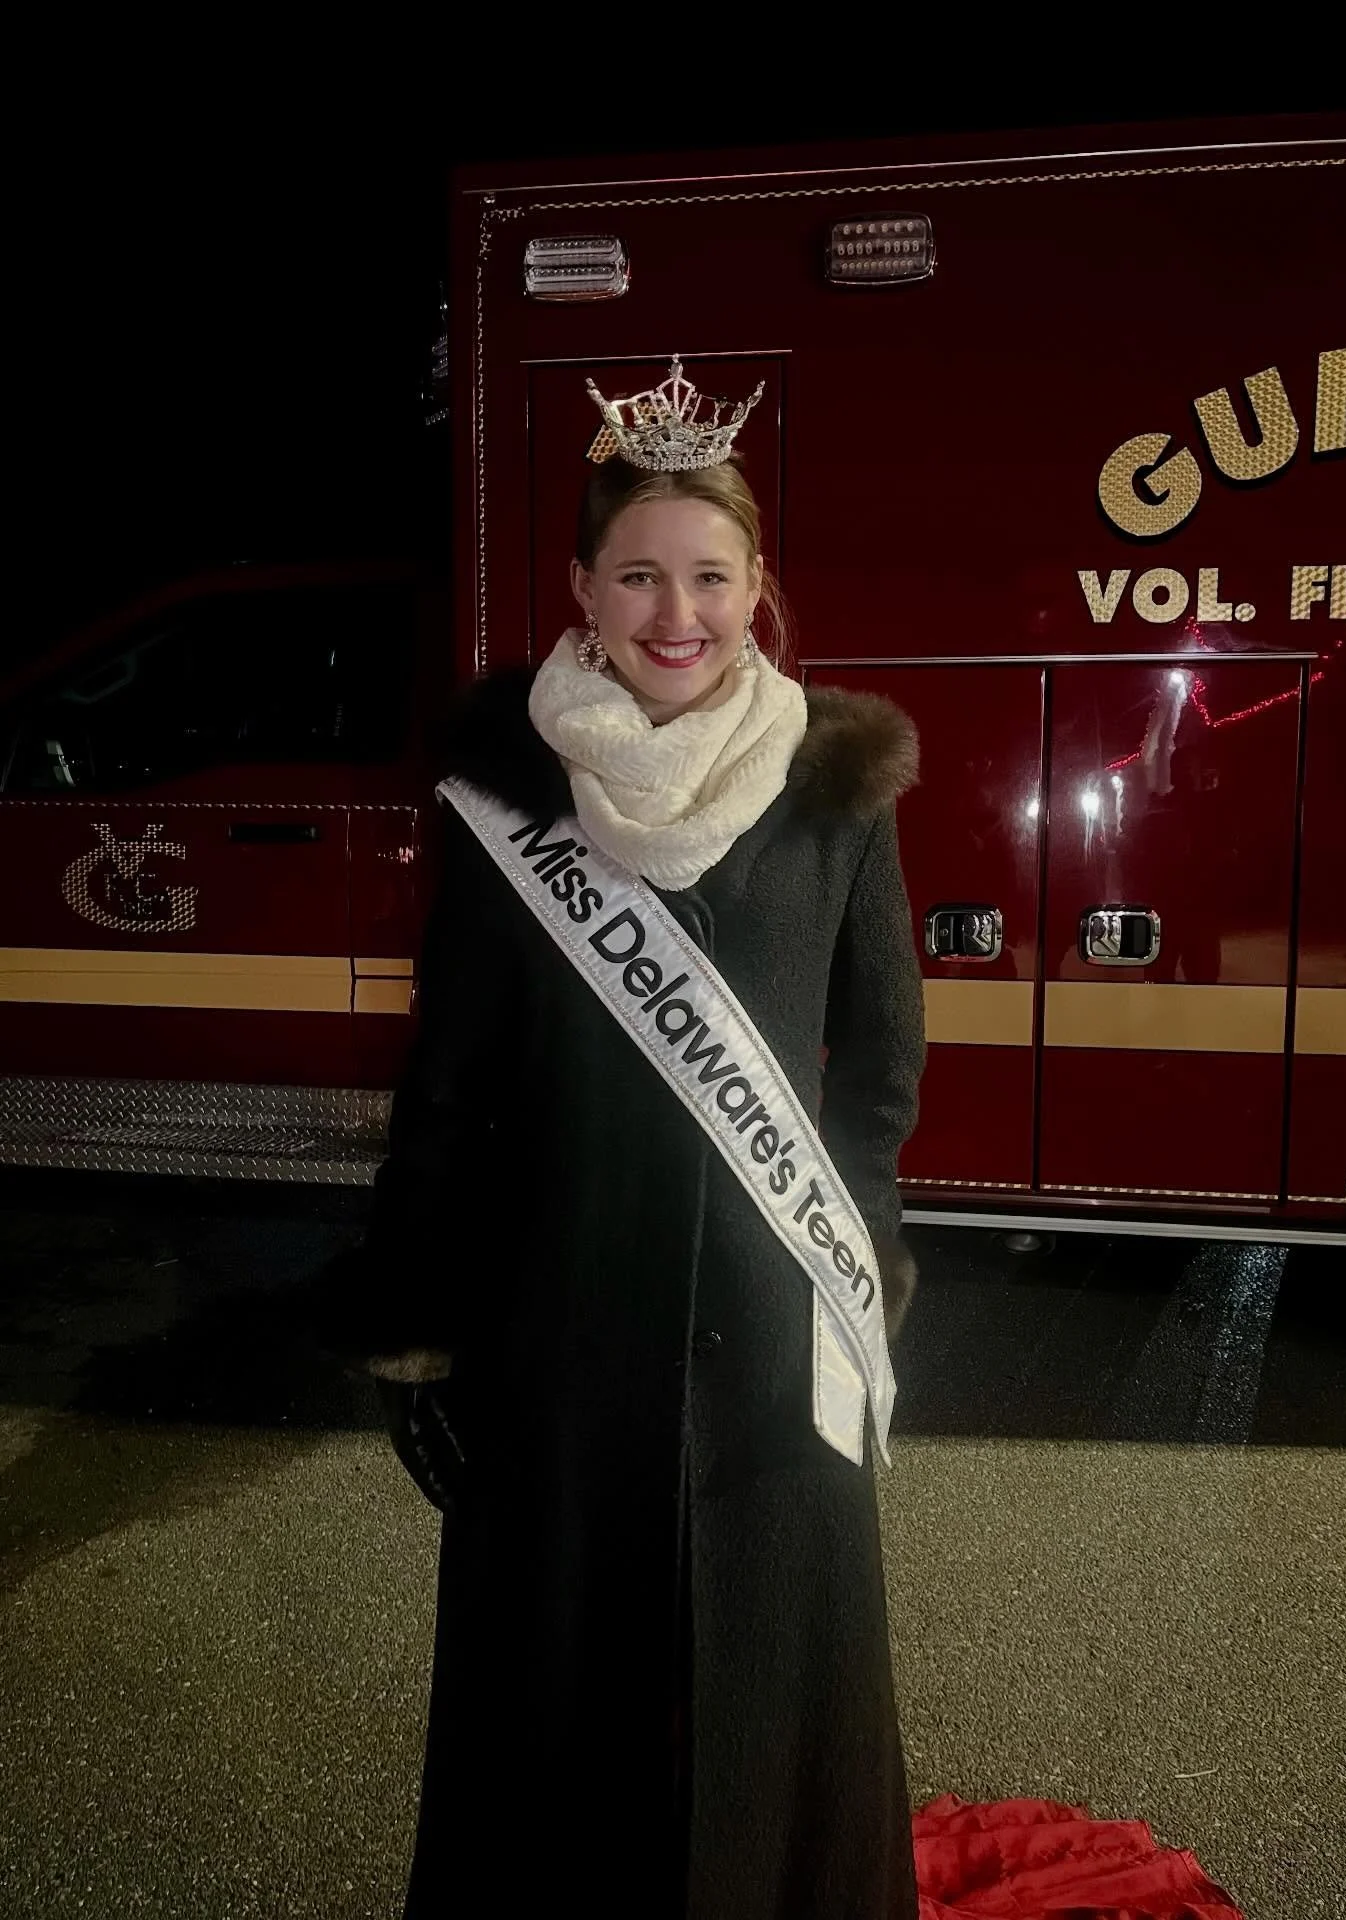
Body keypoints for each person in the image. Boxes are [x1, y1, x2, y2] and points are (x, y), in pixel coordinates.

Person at [311, 358, 928, 1917]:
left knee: (778, 1718)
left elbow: (880, 1070)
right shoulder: (506, 797)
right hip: (557, 1334)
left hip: (778, 1344)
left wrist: (844, 1261)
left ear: (756, 585)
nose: (678, 613)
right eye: (639, 574)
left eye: (710, 577)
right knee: (555, 1726)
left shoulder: (838, 782)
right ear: (582, 588)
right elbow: (447, 1088)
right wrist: (418, 1337)